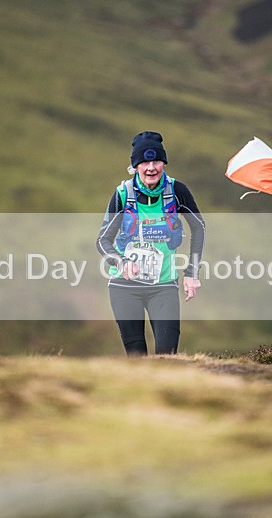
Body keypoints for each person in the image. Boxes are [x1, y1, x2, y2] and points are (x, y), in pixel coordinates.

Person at [96, 131, 205, 355]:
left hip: (163, 286)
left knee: (168, 355)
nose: (151, 168)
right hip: (124, 287)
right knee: (137, 357)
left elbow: (198, 227)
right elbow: (103, 240)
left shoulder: (177, 191)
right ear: (135, 166)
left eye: (156, 161)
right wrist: (122, 262)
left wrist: (192, 273)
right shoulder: (123, 194)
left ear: (164, 163)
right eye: (145, 162)